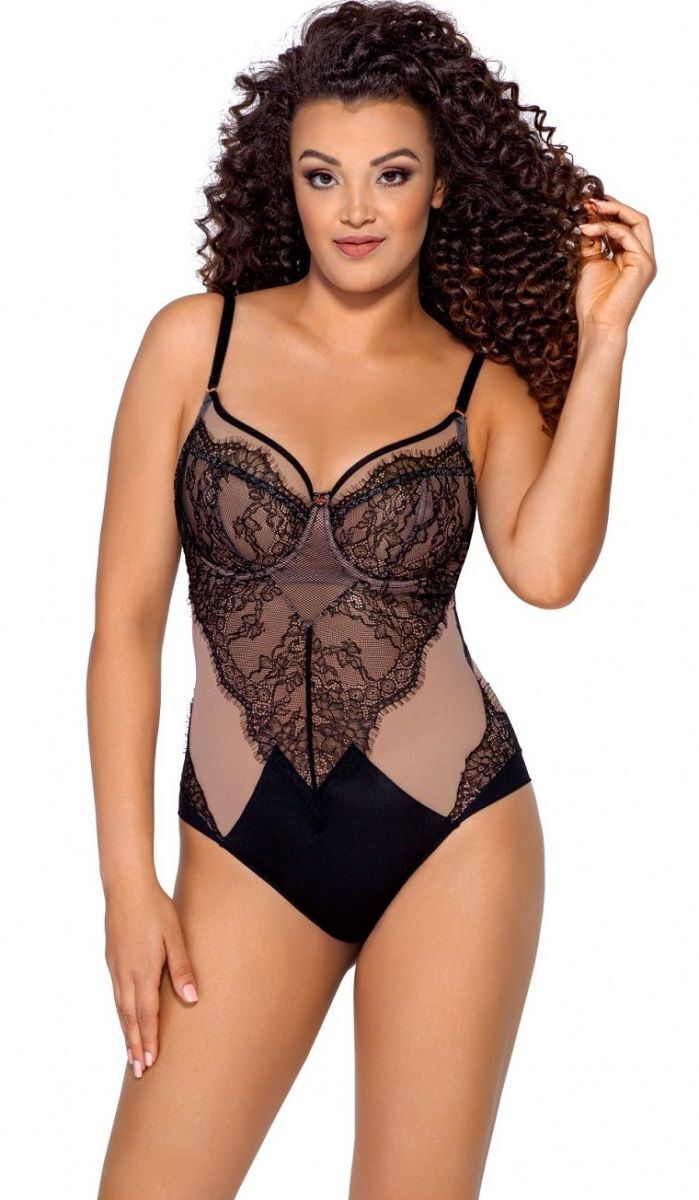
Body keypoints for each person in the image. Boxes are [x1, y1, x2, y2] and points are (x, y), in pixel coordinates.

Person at [88, 2, 656, 1196]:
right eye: (322, 175)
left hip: (455, 835)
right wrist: (128, 884)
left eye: (390, 174)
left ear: (439, 184)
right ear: (285, 181)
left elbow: (550, 575)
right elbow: (126, 625)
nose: (354, 209)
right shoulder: (192, 348)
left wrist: (603, 344)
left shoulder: (481, 388)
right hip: (242, 851)